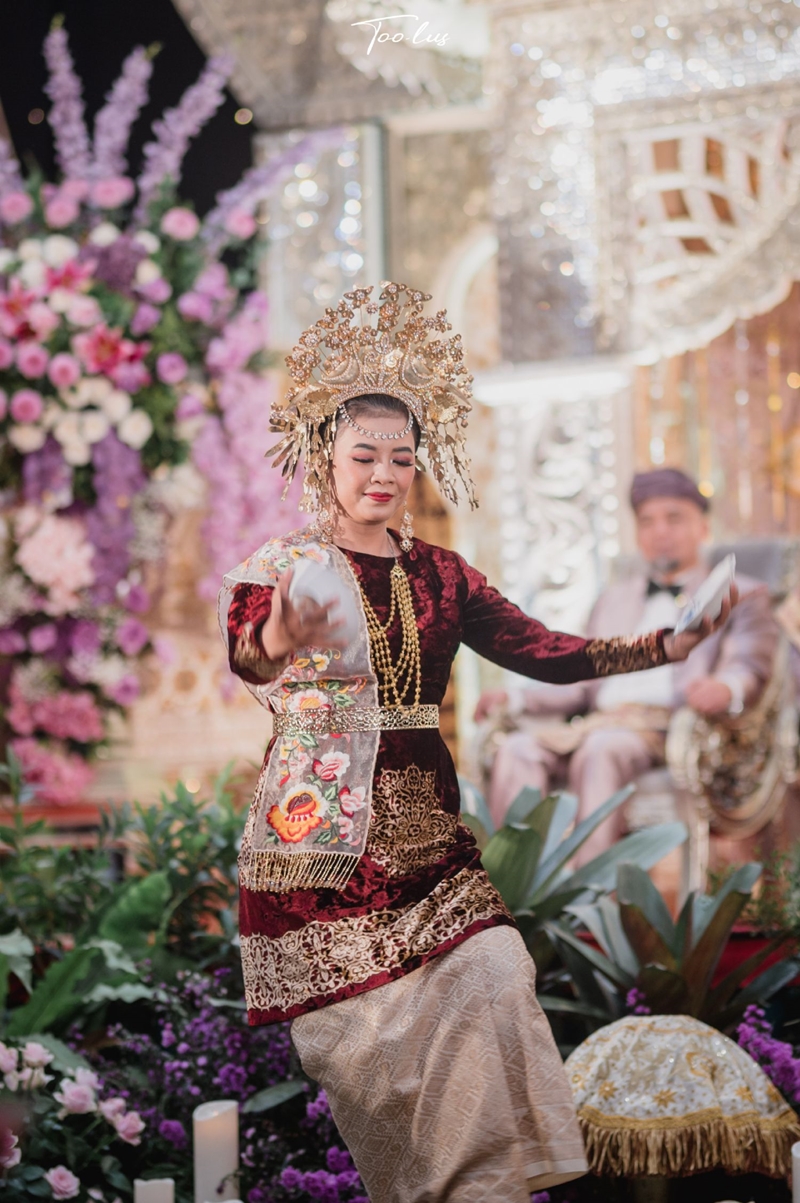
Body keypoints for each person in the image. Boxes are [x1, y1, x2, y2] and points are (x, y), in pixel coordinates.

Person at [219, 286, 735, 1203]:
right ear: (324, 454)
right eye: (364, 455)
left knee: (495, 969)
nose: (384, 474)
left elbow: (548, 650)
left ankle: (485, 1188)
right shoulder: (280, 568)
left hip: (431, 842)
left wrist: (666, 644)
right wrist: (283, 634)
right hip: (324, 848)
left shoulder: (442, 575)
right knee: (371, 1047)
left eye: (401, 457)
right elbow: (247, 654)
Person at [477, 467, 775, 862]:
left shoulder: (741, 593)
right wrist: (515, 699)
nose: (660, 531)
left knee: (602, 750)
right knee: (516, 749)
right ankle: (516, 888)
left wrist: (726, 687)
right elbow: (579, 676)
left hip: (667, 729)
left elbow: (749, 663)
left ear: (703, 526)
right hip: (598, 722)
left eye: (674, 518)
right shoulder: (613, 599)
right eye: (647, 522)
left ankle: (590, 894)